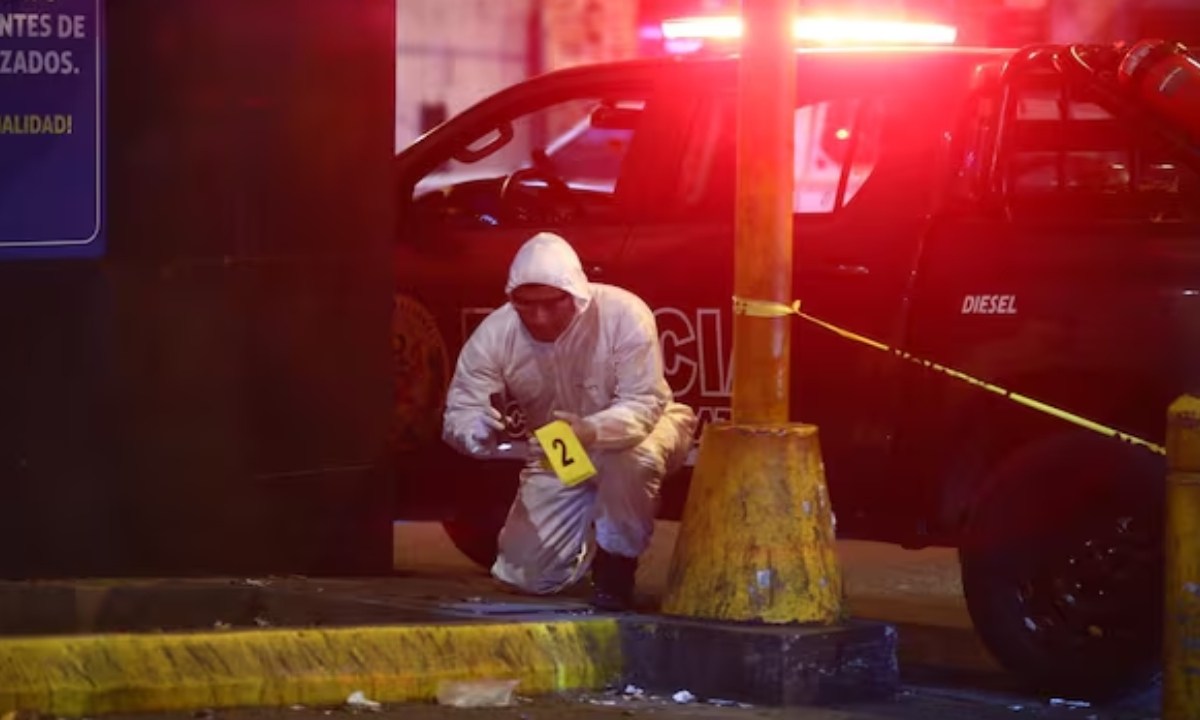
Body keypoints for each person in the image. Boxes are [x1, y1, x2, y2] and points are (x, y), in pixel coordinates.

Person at [442, 231, 696, 610]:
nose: (539, 317)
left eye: (551, 304)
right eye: (527, 305)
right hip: (563, 443)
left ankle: (617, 567)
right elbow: (461, 409)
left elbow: (643, 403)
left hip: (651, 426)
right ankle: (591, 536)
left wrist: (592, 429)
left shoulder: (623, 314)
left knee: (630, 460)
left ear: (574, 294)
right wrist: (476, 431)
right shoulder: (498, 333)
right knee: (525, 574)